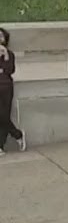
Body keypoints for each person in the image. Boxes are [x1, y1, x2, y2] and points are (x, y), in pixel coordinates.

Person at [0, 27, 25, 156]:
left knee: (4, 115)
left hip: (6, 87)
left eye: (1, 36)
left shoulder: (10, 54)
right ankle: (17, 134)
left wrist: (5, 56)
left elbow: (10, 70)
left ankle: (1, 146)